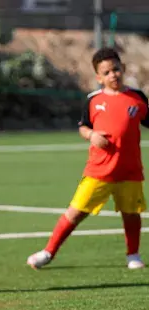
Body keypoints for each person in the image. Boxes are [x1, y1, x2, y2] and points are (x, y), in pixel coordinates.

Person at [27, 48, 149, 271]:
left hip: (130, 170)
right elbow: (83, 127)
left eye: (116, 69)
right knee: (76, 212)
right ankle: (49, 251)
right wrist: (92, 135)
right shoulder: (93, 101)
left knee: (131, 214)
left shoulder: (138, 98)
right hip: (99, 170)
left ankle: (133, 255)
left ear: (123, 69)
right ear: (99, 77)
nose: (113, 74)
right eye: (107, 72)